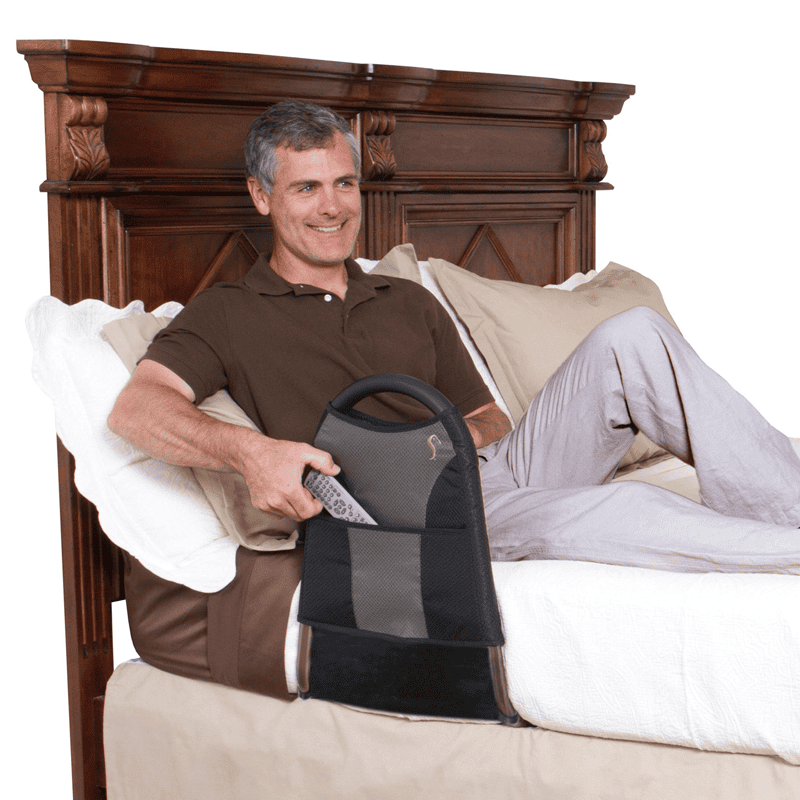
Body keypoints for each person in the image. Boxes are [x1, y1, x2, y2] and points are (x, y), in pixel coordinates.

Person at [108, 100, 800, 699]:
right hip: (418, 519)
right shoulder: (228, 312)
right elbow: (136, 409)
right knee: (629, 508)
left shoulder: (403, 298)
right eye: (307, 188)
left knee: (634, 334)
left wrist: (445, 445)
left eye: (344, 183)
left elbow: (489, 415)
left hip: (489, 468)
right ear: (262, 197)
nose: (333, 207)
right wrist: (251, 454)